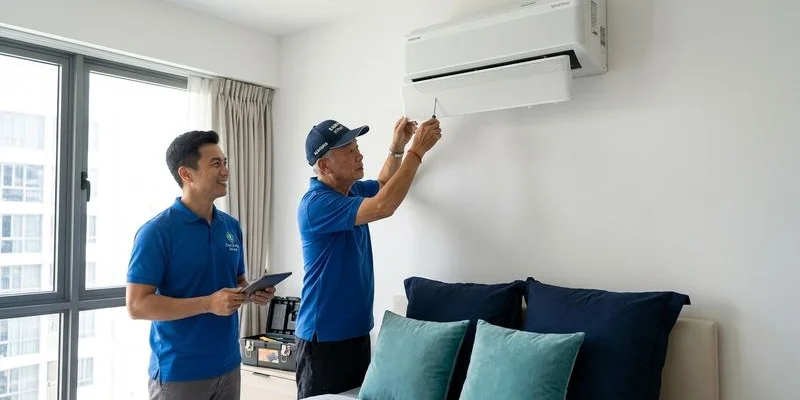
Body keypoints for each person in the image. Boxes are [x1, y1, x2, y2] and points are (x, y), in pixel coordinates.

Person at [295, 117, 442, 398]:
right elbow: (384, 205)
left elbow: (385, 183)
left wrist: (398, 147)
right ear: (324, 165)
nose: (360, 154)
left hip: (357, 332)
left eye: (357, 146)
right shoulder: (317, 204)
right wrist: (416, 151)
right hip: (325, 340)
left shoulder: (350, 191)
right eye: (349, 151)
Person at [126, 130, 276, 400]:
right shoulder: (156, 232)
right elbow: (137, 306)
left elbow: (238, 281)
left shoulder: (231, 226)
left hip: (229, 366)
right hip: (180, 373)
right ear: (187, 174)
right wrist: (208, 303)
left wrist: (252, 292)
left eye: (225, 162)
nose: (226, 171)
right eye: (216, 164)